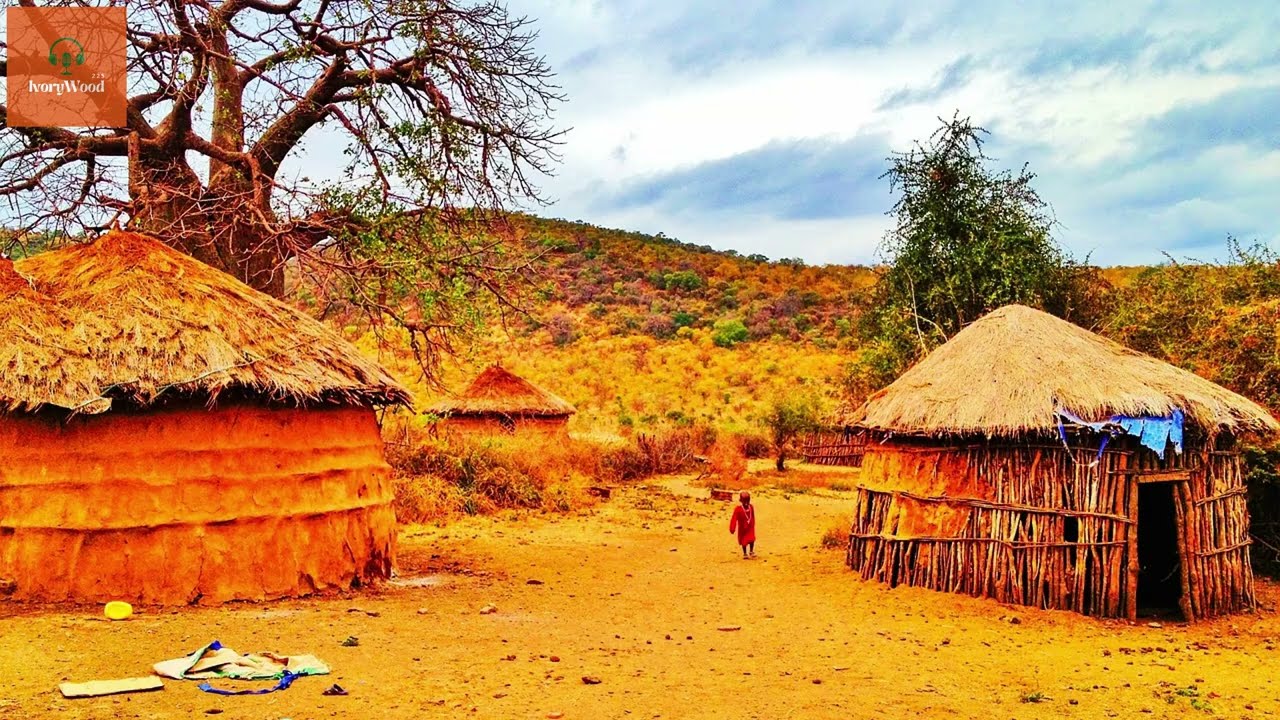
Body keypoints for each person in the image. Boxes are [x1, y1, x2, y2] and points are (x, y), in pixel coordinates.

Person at [729, 491, 756, 558]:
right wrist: (732, 528)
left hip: (750, 527)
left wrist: (753, 524)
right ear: (741, 501)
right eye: (745, 502)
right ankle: (745, 553)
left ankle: (751, 551)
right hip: (742, 528)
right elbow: (734, 519)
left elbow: (753, 516)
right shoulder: (738, 509)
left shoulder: (751, 507)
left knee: (752, 539)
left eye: (747, 502)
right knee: (744, 541)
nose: (746, 504)